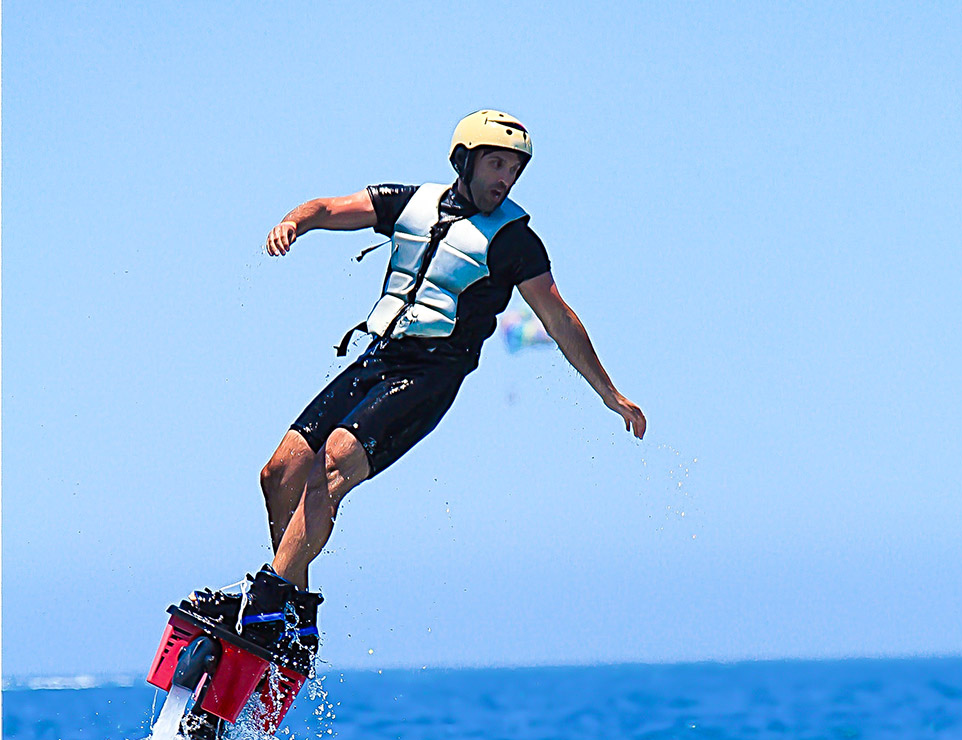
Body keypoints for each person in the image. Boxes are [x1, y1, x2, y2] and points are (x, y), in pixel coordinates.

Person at [184, 111, 645, 670]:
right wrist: (294, 222)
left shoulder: (516, 241)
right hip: (377, 359)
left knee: (331, 467)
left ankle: (267, 599)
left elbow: (558, 317)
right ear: (464, 160)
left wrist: (608, 392)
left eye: (514, 170)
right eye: (496, 164)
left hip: (431, 376)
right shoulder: (410, 204)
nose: (505, 179)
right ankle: (295, 617)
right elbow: (329, 208)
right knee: (279, 473)